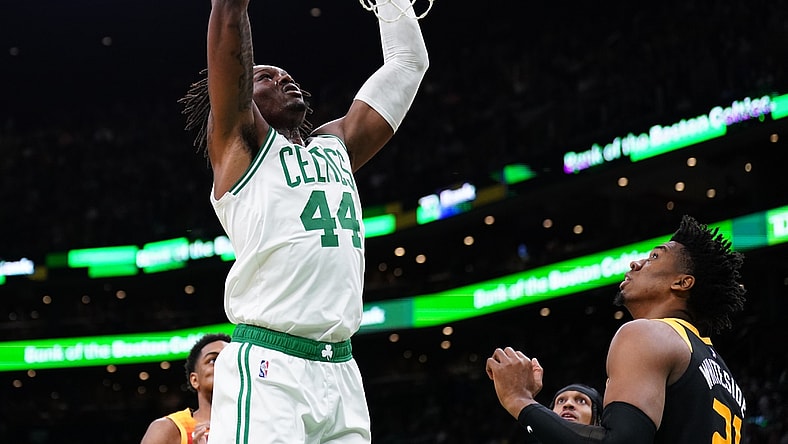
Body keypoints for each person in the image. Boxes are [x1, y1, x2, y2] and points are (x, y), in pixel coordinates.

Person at [179, 0, 428, 442]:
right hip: (269, 362)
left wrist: (394, 3)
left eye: (285, 75)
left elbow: (409, 63)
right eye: (265, 77)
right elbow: (229, 14)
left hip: (341, 368)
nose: (282, 78)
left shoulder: (336, 144)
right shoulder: (240, 148)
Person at [486, 214, 748, 443]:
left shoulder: (648, 334)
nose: (636, 263)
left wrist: (519, 399)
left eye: (654, 256)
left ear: (682, 282)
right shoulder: (726, 380)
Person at [140, 333, 231, 444]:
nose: (224, 365)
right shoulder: (168, 428)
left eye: (231, 361)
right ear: (195, 380)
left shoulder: (249, 426)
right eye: (213, 360)